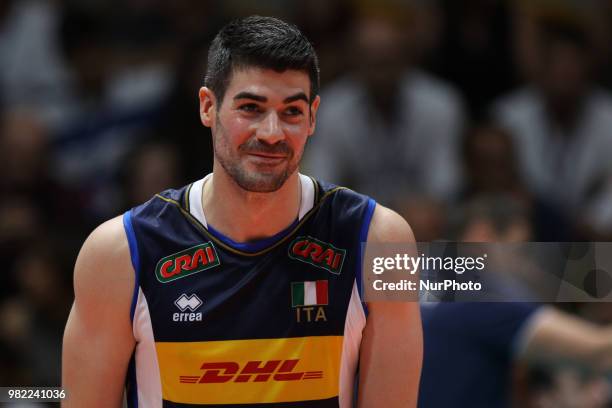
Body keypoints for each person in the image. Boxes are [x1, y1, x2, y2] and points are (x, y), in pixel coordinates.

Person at [62, 16, 422, 407]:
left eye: (292, 112)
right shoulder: (118, 254)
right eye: (251, 107)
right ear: (207, 107)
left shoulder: (381, 242)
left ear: (314, 117)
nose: (271, 132)